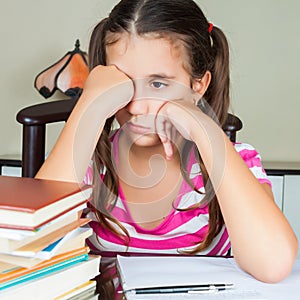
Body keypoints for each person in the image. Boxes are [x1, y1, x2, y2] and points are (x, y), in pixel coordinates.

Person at [36, 0, 297, 283]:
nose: (136, 107)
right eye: (123, 84)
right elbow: (32, 246)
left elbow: (273, 266)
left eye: (158, 84)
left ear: (198, 85)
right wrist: (89, 106)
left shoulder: (239, 162)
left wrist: (204, 128)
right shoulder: (87, 163)